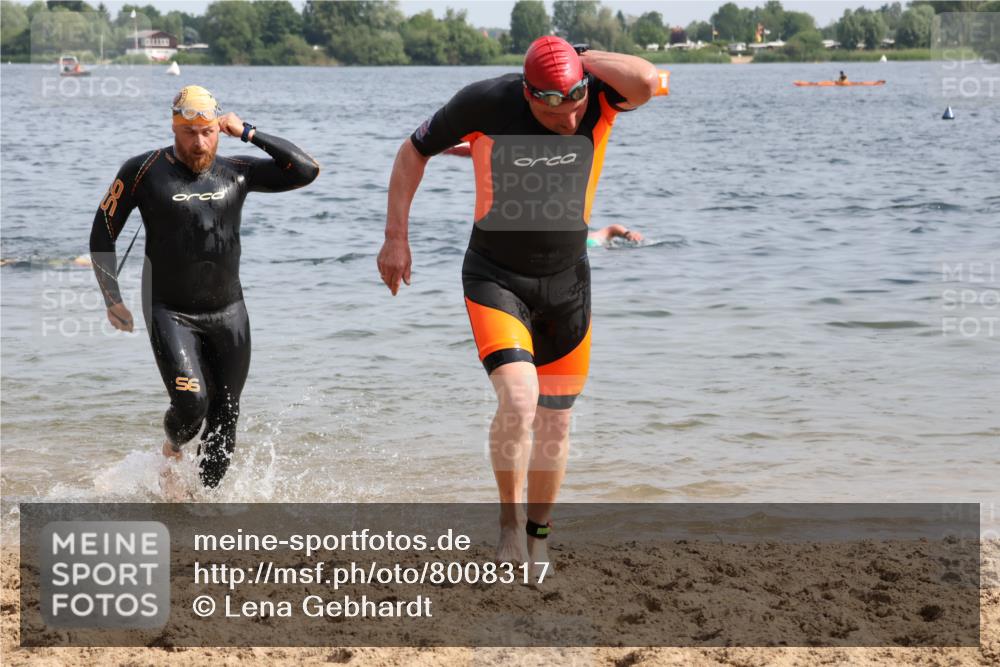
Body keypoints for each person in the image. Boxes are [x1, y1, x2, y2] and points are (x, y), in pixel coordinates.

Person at [377, 37, 658, 568]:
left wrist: (579, 61)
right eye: (554, 110)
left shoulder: (599, 95)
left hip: (568, 282)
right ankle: (508, 522)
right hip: (496, 276)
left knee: (557, 420)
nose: (569, 119)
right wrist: (396, 237)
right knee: (521, 400)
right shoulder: (485, 102)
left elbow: (646, 80)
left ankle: (539, 535)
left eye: (575, 104)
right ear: (529, 94)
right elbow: (413, 150)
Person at [89, 85, 319, 494]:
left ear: (218, 129)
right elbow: (102, 233)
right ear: (174, 128)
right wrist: (112, 299)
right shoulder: (142, 172)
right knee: (191, 404)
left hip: (229, 313)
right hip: (170, 312)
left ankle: (201, 506)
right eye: (189, 133)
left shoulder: (237, 171)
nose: (199, 143)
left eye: (208, 132)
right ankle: (171, 450)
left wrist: (248, 132)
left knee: (226, 419)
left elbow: (306, 170)